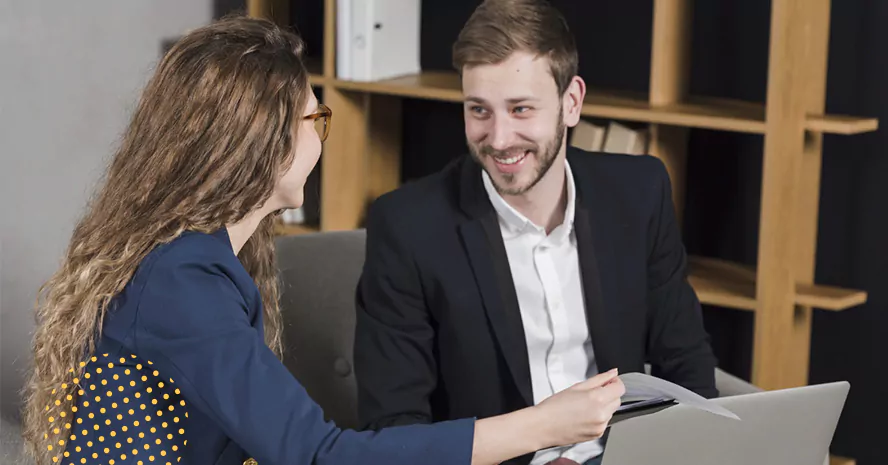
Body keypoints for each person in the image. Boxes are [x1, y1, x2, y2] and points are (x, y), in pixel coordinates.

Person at [20, 15, 627, 465]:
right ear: (261, 140)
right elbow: (316, 455)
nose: (322, 139)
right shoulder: (181, 284)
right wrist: (543, 426)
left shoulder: (196, 261)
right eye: (316, 119)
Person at [353, 1, 719, 464]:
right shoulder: (407, 227)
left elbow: (686, 363)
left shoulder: (639, 192)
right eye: (479, 111)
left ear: (572, 103)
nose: (499, 138)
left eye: (521, 109)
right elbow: (394, 430)